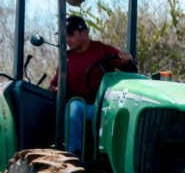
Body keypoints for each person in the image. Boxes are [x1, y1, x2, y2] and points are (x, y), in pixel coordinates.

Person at [49, 15, 134, 155]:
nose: (67, 40)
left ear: (84, 32)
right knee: (74, 107)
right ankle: (74, 155)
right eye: (65, 36)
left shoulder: (102, 50)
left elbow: (128, 66)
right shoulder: (66, 57)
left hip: (104, 106)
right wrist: (55, 88)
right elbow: (54, 84)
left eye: (70, 34)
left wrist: (126, 59)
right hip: (81, 106)